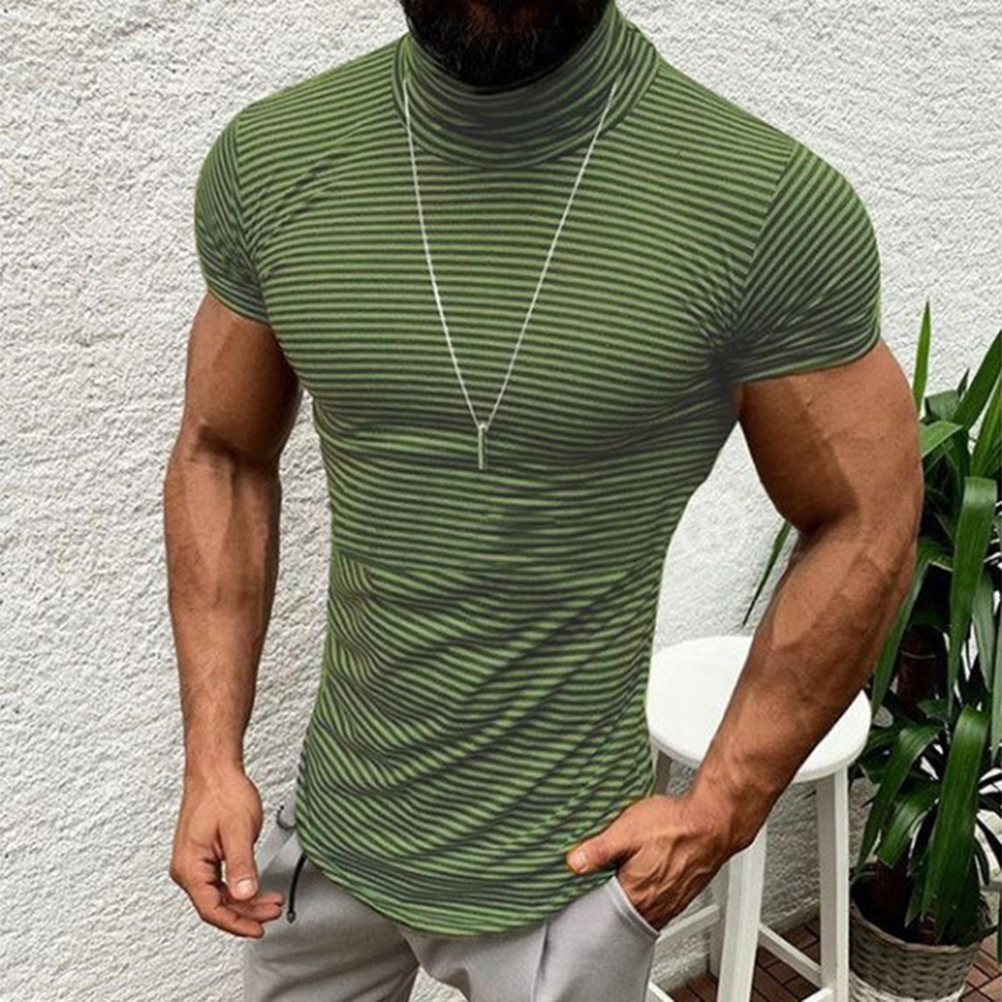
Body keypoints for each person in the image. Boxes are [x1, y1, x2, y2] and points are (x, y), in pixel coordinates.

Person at [163, 0, 923, 998]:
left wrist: (723, 808)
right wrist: (211, 758)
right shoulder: (274, 163)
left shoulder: (765, 208)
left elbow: (869, 515)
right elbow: (220, 454)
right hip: (330, 844)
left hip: (571, 879)